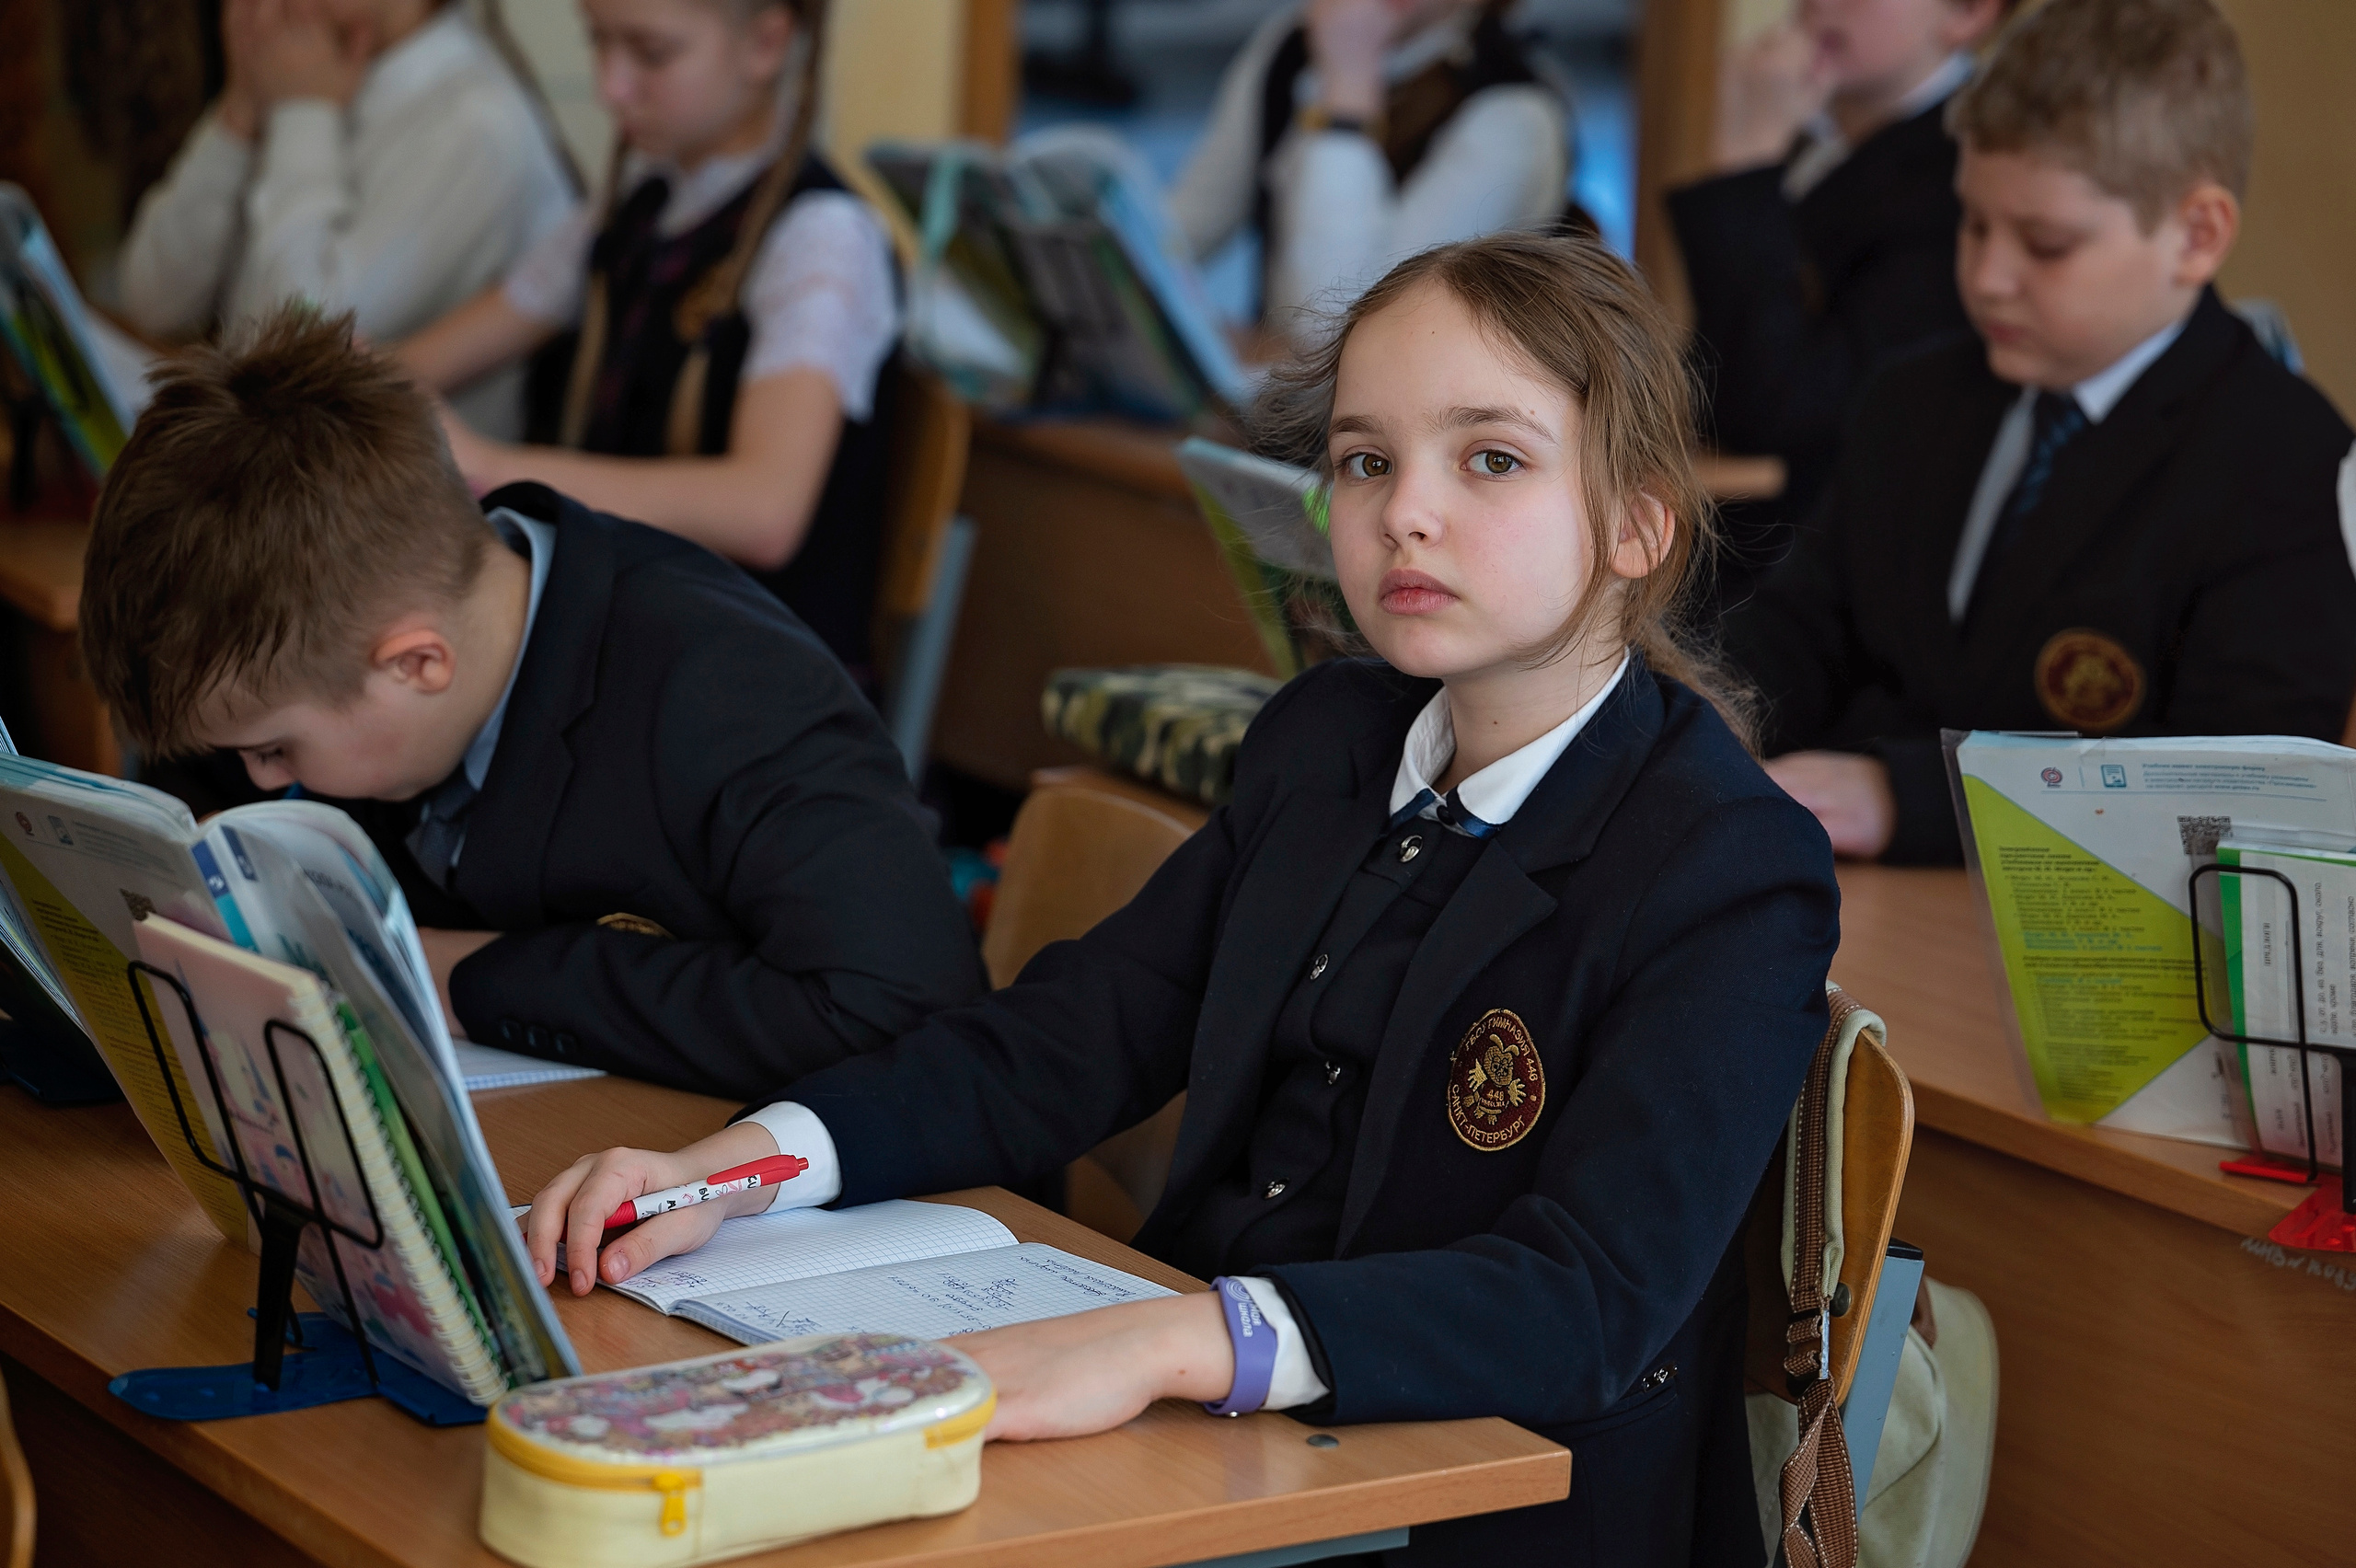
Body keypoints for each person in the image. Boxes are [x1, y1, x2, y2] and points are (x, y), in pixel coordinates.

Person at [524, 234, 1843, 1567]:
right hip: (1209, 1429)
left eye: (1489, 459)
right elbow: (1076, 1034)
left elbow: (1588, 1300)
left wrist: (1167, 1339)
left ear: (1636, 524)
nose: (1405, 513)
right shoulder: (1330, 735)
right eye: (1365, 460)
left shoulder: (1729, 869)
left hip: (1468, 1501)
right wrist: (746, 1169)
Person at [78, 308, 984, 1101]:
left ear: (417, 663)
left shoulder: (729, 693)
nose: (265, 783)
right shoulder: (360, 651)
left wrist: (465, 976)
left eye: (275, 752)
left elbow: (899, 1008)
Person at [1727, 0, 2356, 867]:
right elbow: (1798, 629)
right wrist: (1708, 718)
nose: (1987, 278)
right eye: (1973, 224)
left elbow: (2233, 786)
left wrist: (1907, 796)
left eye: (2046, 244)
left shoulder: (2287, 464)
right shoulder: (1913, 399)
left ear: (2196, 236)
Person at [394, 0, 899, 683]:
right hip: (640, 641)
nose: (611, 87)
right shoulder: (638, 205)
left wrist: (491, 464)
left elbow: (765, 510)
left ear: (768, 42)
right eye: (598, 43)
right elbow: (420, 365)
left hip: (757, 687)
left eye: (651, 53)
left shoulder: (824, 235)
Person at [1668, 0, 2011, 594]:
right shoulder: (1824, 138)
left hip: (1844, 569)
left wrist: (1748, 163)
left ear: (1969, 13)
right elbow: (1714, 381)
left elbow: (1784, 411)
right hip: (1750, 542)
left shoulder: (1970, 172)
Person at [116, 0, 576, 439]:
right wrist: (240, 112)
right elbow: (154, 302)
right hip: (266, 469)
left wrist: (304, 113)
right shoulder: (296, 66)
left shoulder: (475, 127)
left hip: (377, 503)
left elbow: (298, 344)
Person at [1165, 0, 1569, 342]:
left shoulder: (1514, 117)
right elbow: (1184, 229)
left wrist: (1346, 99)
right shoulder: (1289, 43)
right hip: (1272, 396)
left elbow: (1331, 330)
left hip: (1406, 421)